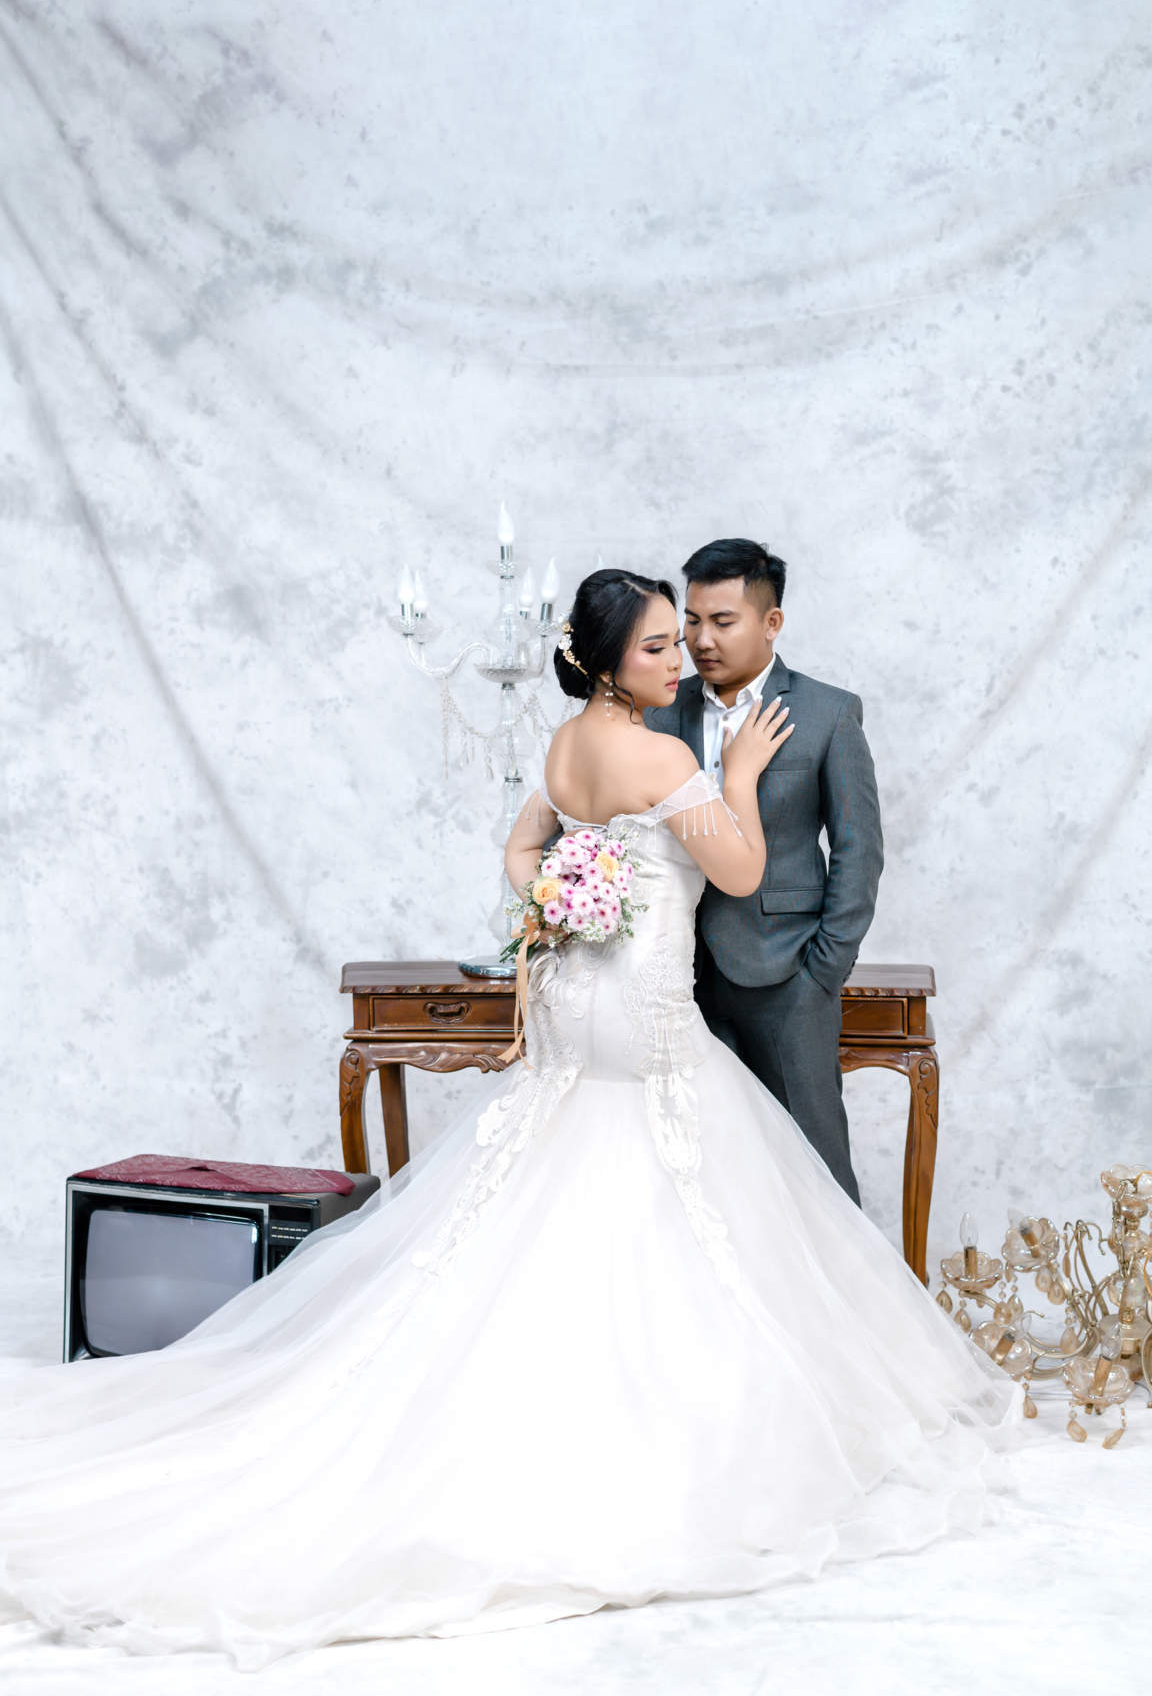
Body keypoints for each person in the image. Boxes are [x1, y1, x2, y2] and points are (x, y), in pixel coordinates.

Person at [0, 570, 1018, 1671]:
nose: (679, 659)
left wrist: (566, 900)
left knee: (564, 1164)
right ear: (608, 662)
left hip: (573, 1003)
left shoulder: (565, 747)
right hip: (637, 1016)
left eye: (680, 640)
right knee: (667, 1170)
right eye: (658, 646)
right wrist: (736, 777)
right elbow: (740, 866)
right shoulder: (662, 759)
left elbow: (521, 849)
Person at [646, 539, 882, 1203]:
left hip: (787, 978)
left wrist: (822, 972)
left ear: (771, 622)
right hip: (675, 977)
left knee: (815, 1171)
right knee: (697, 1169)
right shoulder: (659, 710)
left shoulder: (828, 713)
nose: (701, 640)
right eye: (693, 621)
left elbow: (860, 851)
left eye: (723, 621)